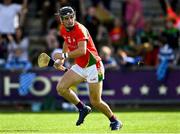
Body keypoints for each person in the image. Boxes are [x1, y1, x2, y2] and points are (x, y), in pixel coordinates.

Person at [53, 6, 122, 130]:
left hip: (94, 66)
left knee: (96, 101)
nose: (70, 20)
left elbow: (82, 50)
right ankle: (82, 108)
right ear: (61, 20)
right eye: (66, 18)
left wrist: (63, 55)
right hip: (80, 66)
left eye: (71, 17)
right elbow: (66, 41)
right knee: (61, 88)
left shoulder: (80, 29)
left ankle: (115, 121)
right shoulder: (63, 29)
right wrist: (62, 60)